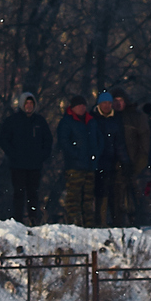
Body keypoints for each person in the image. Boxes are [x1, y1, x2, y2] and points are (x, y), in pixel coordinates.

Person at [0, 92, 53, 224]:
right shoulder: (13, 121)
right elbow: (3, 139)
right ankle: (18, 220)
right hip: (18, 165)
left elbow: (48, 141)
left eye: (31, 103)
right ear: (22, 104)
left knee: (33, 194)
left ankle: (33, 219)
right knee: (18, 194)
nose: (29, 106)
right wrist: (13, 154)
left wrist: (41, 156)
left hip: (35, 165)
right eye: (26, 103)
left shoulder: (40, 121)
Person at [57, 95, 99, 226]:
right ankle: (74, 224)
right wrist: (75, 154)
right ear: (73, 108)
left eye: (83, 105)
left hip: (89, 166)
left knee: (88, 198)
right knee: (73, 198)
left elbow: (98, 139)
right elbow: (64, 142)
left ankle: (88, 224)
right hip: (74, 166)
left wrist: (95, 154)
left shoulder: (91, 121)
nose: (82, 108)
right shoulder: (67, 122)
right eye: (79, 105)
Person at [114, 90, 151, 227]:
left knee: (135, 194)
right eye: (115, 101)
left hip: (134, 162)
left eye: (120, 100)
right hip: (116, 164)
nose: (118, 104)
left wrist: (140, 162)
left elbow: (144, 140)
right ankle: (118, 223)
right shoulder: (111, 118)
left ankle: (136, 223)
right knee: (117, 195)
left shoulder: (136, 117)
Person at [92, 92, 128, 226]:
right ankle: (99, 220)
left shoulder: (115, 120)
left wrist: (124, 160)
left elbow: (119, 142)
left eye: (108, 103)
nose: (107, 106)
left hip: (111, 160)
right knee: (99, 191)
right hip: (97, 160)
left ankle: (111, 221)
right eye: (104, 103)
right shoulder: (93, 119)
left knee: (111, 191)